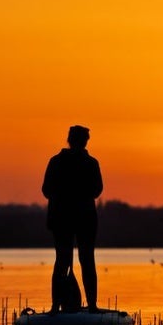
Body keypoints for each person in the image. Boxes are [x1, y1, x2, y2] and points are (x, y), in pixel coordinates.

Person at [43, 124, 104, 312]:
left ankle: (56, 307)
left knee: (63, 260)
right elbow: (97, 190)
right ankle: (91, 306)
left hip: (66, 219)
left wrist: (62, 195)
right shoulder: (90, 163)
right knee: (83, 260)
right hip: (79, 219)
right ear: (84, 141)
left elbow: (46, 190)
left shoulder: (56, 162)